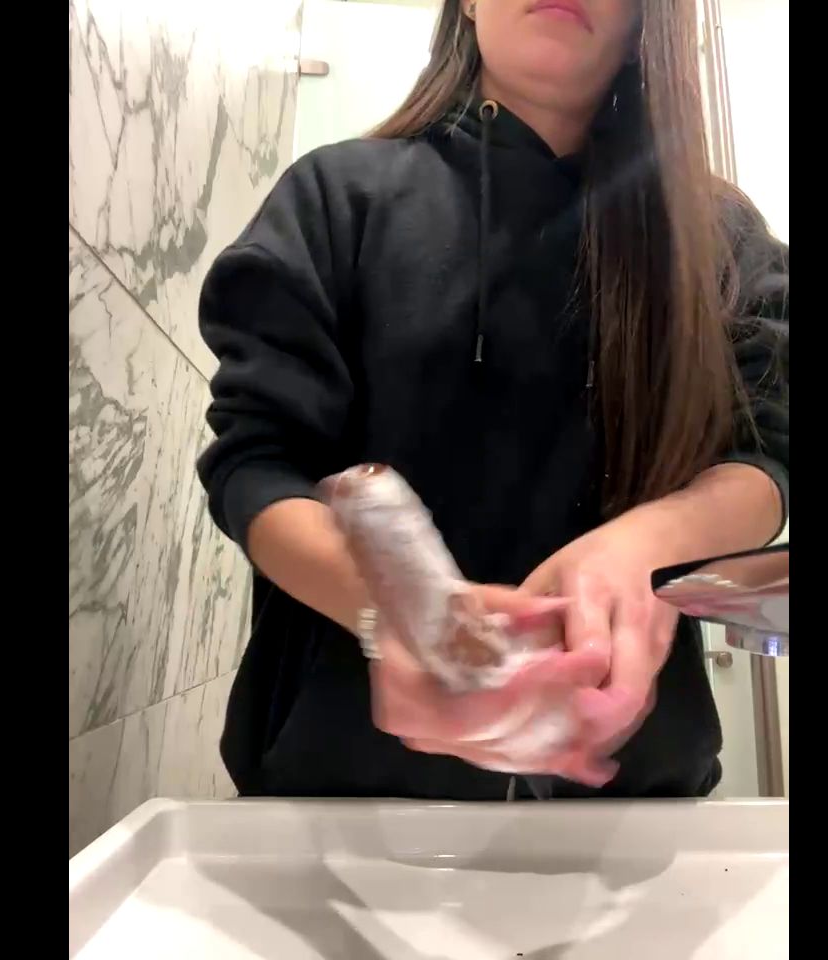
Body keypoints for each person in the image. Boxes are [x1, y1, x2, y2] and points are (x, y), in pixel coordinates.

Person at [197, 0, 789, 800]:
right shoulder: (337, 196)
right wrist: (395, 618)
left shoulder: (717, 238)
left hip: (632, 806)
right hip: (337, 801)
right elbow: (257, 466)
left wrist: (642, 544)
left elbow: (767, 457)